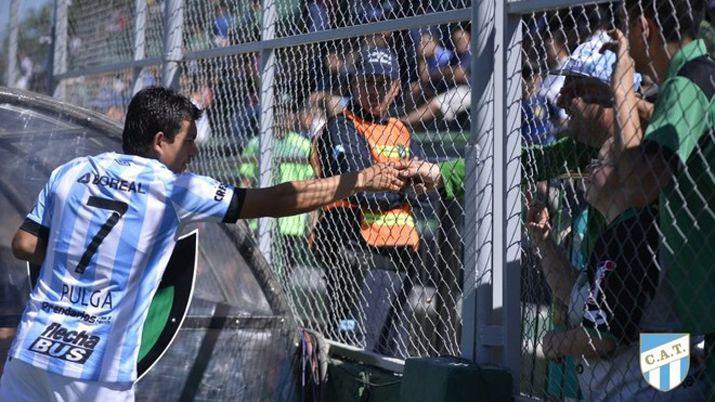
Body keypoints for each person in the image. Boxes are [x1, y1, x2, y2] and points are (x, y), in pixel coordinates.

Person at [0, 87, 408, 402]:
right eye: (188, 140)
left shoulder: (72, 172)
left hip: (32, 352)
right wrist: (360, 180)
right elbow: (277, 200)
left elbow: (22, 243)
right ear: (160, 141)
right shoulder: (173, 188)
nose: (194, 151)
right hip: (98, 367)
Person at [529, 139, 706, 401]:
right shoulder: (619, 230)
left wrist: (556, 342)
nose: (588, 168)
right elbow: (579, 297)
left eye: (600, 163)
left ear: (628, 177)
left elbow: (602, 338)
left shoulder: (635, 234)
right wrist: (544, 243)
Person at [310, 46, 425, 356]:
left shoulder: (400, 130)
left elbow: (422, 180)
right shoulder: (341, 127)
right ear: (354, 83)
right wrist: (403, 183)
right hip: (354, 253)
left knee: (392, 351)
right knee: (354, 349)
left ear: (396, 87)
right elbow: (361, 187)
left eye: (383, 83)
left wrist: (390, 180)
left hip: (400, 257)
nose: (376, 90)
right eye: (369, 81)